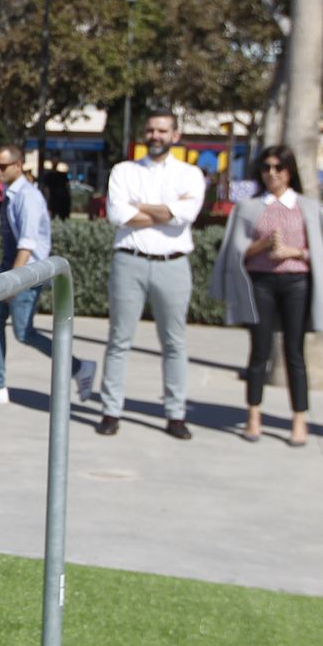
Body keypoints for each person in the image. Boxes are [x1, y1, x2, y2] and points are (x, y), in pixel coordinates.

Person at [208, 146, 323, 446]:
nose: (272, 174)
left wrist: (294, 252)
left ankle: (299, 419)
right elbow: (236, 252)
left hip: (297, 283)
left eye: (278, 168)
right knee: (259, 351)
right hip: (260, 283)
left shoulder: (307, 207)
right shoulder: (249, 208)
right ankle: (253, 415)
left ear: (289, 171)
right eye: (266, 168)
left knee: (295, 353)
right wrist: (263, 245)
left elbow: (320, 252)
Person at [97, 111, 207, 439]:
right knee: (119, 339)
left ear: (175, 135)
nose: (155, 136)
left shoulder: (190, 174)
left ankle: (175, 414)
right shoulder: (124, 171)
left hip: (173, 264)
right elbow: (118, 215)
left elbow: (186, 215)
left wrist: (141, 206)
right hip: (129, 261)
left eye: (162, 130)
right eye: (150, 130)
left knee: (174, 342)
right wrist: (168, 210)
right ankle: (110, 411)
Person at [0, 144, 96, 405]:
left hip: (26, 273)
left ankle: (79, 367)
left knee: (24, 332)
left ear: (18, 165)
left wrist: (14, 282)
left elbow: (27, 242)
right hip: (11, 269)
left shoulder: (28, 196)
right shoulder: (13, 193)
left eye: (2, 166)